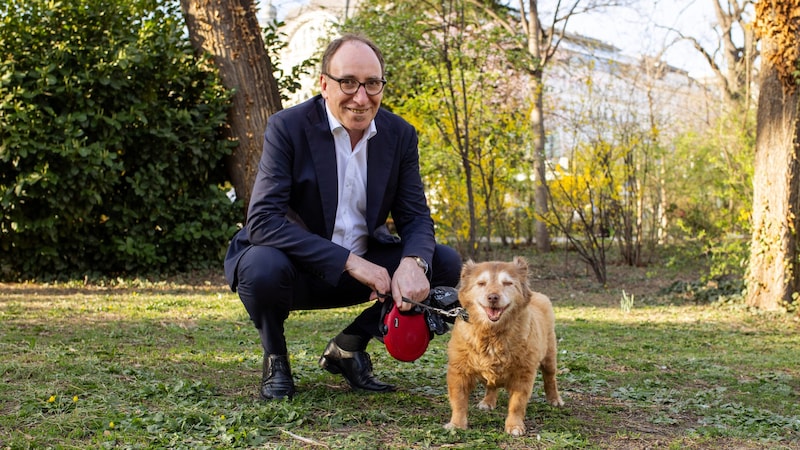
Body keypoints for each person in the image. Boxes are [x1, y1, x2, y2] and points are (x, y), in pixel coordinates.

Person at [223, 33, 462, 400]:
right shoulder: (287, 128)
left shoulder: (400, 136)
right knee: (260, 266)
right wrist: (349, 262)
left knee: (443, 263)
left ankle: (349, 347)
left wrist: (413, 262)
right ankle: (276, 359)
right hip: (296, 267)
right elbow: (263, 221)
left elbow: (415, 217)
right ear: (324, 84)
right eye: (348, 82)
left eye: (372, 84)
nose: (361, 97)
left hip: (367, 271)